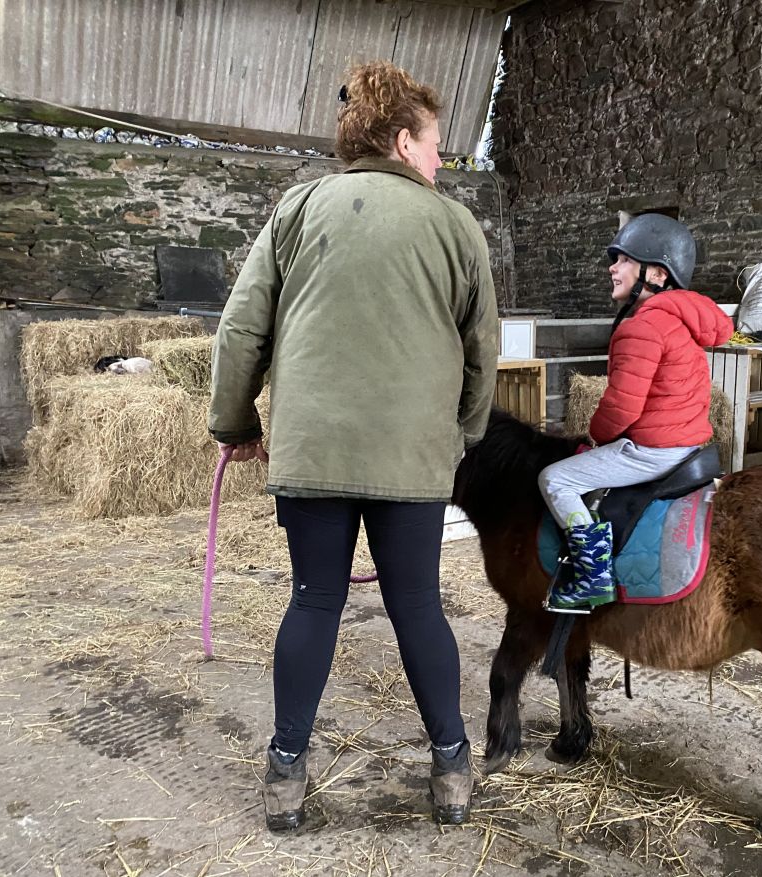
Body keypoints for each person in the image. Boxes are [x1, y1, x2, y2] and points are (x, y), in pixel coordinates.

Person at [208, 60, 498, 830]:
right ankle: (451, 769)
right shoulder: (455, 226)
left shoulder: (297, 209)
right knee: (417, 605)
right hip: (412, 459)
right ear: (404, 141)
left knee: (313, 600)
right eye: (437, 145)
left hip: (313, 454)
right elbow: (482, 356)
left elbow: (241, 330)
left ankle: (284, 777)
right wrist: (460, 438)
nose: (442, 160)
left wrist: (235, 425)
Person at [537, 214, 732, 612]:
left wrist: (595, 435)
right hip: (688, 446)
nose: (613, 267)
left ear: (657, 274)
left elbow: (622, 406)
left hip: (652, 452)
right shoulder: (680, 321)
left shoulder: (642, 327)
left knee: (555, 478)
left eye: (624, 259)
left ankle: (592, 575)